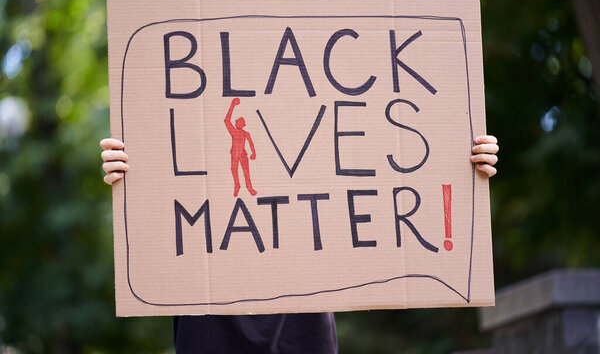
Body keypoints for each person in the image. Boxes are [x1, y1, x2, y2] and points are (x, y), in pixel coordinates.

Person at [100, 134, 499, 353]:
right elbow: (160, 212)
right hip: (210, 328)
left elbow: (386, 169)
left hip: (303, 328)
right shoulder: (189, 143)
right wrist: (131, 172)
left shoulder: (316, 140)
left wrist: (460, 159)